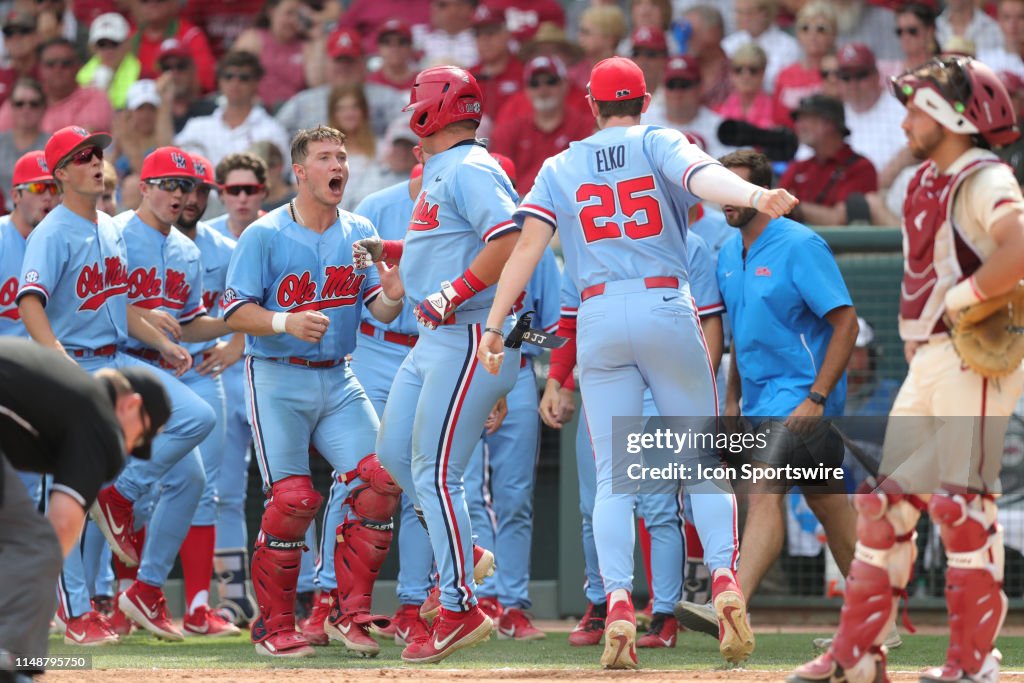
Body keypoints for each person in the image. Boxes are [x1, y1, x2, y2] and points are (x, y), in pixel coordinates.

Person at [476, 56, 798, 669]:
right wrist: (757, 194)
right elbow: (706, 179)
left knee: (613, 479)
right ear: (644, 101)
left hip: (598, 312)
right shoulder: (659, 138)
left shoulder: (560, 163)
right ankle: (726, 582)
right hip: (665, 303)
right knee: (702, 462)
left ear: (592, 106)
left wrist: (495, 324)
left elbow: (526, 248)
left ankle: (620, 602)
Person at [790, 54, 1024, 683]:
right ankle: (859, 656)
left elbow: (1020, 245)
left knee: (961, 506)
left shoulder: (983, 176)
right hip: (929, 360)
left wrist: (967, 299)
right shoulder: (924, 180)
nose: (903, 125)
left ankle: (974, 662)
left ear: (950, 115)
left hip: (972, 356)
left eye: (916, 111)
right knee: (884, 504)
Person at [356, 65, 522, 664]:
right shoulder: (443, 169)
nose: (411, 114)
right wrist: (393, 252)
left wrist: (452, 290)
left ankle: (458, 606)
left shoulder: (472, 166)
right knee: (396, 456)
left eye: (417, 105)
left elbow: (509, 238)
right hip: (435, 338)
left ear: (433, 111)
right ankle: (466, 551)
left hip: (468, 334)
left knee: (434, 473)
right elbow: (445, 241)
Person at [223, 125, 405, 658]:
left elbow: (382, 309)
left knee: (381, 482)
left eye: (343, 156)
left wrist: (395, 292)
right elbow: (235, 309)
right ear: (299, 172)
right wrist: (283, 322)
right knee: (292, 499)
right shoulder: (265, 232)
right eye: (325, 157)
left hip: (338, 376)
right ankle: (274, 625)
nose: (338, 166)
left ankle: (348, 614)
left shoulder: (360, 230)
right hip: (278, 375)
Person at [15, 126, 197, 646]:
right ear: (61, 174)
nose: (97, 162)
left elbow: (119, 306)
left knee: (191, 416)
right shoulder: (52, 232)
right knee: (62, 494)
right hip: (71, 366)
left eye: (98, 154)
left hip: (113, 360)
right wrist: (57, 361)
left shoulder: (108, 226)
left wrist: (158, 339)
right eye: (83, 157)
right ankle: (73, 613)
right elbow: (31, 301)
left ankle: (117, 494)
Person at [674, 148, 861, 647]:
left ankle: (731, 605)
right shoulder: (727, 256)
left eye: (737, 189)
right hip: (757, 403)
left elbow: (847, 323)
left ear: (763, 193)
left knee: (761, 494)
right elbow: (741, 337)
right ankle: (875, 621)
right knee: (833, 514)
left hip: (800, 401)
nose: (728, 201)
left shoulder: (801, 244)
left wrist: (817, 398)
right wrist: (732, 400)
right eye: (723, 191)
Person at [95, 146, 230, 641]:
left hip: (156, 368)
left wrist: (247, 322)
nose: (179, 194)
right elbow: (112, 307)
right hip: (113, 359)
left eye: (187, 187)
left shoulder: (188, 251)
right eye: (169, 184)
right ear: (144, 186)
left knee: (190, 481)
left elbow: (191, 324)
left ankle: (147, 590)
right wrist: (158, 336)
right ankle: (118, 499)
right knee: (198, 418)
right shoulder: (115, 233)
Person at [299, 159, 432, 648]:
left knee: (422, 475)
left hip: (435, 347)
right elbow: (352, 283)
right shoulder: (378, 205)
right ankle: (329, 598)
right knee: (357, 473)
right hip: (376, 345)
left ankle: (414, 604)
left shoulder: (471, 201)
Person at [0, 340, 169, 682]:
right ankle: (12, 663)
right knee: (36, 544)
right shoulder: (101, 421)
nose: (134, 447)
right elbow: (60, 528)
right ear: (131, 405)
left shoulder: (71, 392)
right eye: (142, 436)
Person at [489, 55, 595, 193]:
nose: (543, 90)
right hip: (521, 209)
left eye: (551, 82)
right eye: (535, 84)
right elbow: (498, 185)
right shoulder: (507, 132)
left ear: (565, 85)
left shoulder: (586, 127)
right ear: (526, 90)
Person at [174, 51, 290, 167]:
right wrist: (165, 102)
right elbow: (170, 158)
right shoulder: (197, 126)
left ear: (256, 83)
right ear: (220, 81)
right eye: (228, 76)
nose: (235, 82)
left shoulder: (272, 130)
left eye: (244, 78)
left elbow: (282, 177)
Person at [780, 94, 878, 225]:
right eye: (799, 120)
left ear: (828, 123)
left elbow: (839, 219)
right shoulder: (799, 167)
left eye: (806, 119)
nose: (799, 125)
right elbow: (775, 206)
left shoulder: (861, 168)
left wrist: (794, 206)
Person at [0, 38, 113, 133]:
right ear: (40, 68)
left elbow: (83, 141)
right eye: (50, 64)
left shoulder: (94, 97)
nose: (58, 69)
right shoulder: (24, 98)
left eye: (65, 63)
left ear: (78, 66)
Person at [0, 151, 58, 337]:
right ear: (16, 195)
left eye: (55, 188)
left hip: (50, 356)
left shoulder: (65, 242)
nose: (48, 196)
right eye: (38, 188)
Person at [233, 0, 317, 111]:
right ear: (271, 11)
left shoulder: (307, 47)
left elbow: (316, 84)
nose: (293, 20)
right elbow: (235, 78)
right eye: (289, 13)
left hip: (295, 112)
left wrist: (317, 37)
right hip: (256, 109)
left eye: (298, 15)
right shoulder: (253, 39)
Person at [771, 1, 838, 127]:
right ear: (797, 34)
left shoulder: (840, 72)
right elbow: (776, 119)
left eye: (821, 29)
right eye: (805, 28)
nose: (812, 35)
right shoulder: (785, 75)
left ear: (833, 35)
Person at [129, 0, 217, 93]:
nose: (152, 4)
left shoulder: (190, 36)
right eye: (145, 1)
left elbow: (205, 82)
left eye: (158, 1)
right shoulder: (129, 38)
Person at [721, 0, 801, 91]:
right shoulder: (729, 44)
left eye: (747, 12)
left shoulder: (789, 46)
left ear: (764, 14)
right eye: (738, 12)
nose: (738, 18)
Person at [0, 80, 48, 212]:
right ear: (11, 107)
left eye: (34, 104)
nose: (26, 109)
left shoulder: (52, 146)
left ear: (44, 107)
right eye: (19, 103)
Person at [77, 12, 139, 110]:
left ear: (127, 44)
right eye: (101, 44)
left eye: (114, 43)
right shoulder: (82, 76)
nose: (108, 50)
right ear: (92, 47)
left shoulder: (140, 72)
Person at [208, 152, 269, 240]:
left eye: (250, 189)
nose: (242, 199)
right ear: (221, 193)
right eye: (233, 190)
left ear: (263, 192)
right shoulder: (207, 234)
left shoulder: (282, 232)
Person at [716, 43, 774, 128]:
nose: (745, 76)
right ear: (731, 74)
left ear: (763, 72)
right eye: (738, 70)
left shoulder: (777, 109)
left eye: (753, 70)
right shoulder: (718, 112)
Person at [414, 0, 479, 68]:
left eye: (442, 5)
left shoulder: (483, 37)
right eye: (441, 5)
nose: (434, 9)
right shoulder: (417, 35)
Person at [977, 0, 1024, 79]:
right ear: (999, 20)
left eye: (1021, 17)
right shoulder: (984, 61)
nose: (1013, 24)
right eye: (1007, 17)